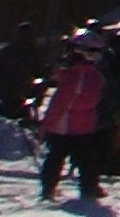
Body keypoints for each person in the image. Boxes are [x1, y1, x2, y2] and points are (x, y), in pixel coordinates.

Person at [31, 28, 113, 205]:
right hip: (85, 126)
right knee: (85, 159)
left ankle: (48, 188)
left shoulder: (74, 76)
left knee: (55, 157)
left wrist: (47, 124)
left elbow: (60, 103)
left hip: (65, 125)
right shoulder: (96, 77)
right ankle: (89, 187)